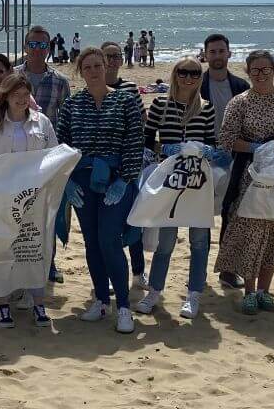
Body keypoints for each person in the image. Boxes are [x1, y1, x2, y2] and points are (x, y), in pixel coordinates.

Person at [215, 49, 274, 314]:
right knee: (251, 233)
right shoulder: (240, 102)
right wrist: (257, 147)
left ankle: (264, 291)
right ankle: (248, 291)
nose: (260, 75)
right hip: (251, 177)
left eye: (265, 70)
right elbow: (226, 140)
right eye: (255, 70)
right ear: (248, 72)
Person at [57, 47, 144, 333]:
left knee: (109, 239)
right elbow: (63, 147)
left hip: (115, 179)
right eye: (87, 67)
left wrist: (125, 179)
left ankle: (123, 307)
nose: (93, 71)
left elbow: (134, 143)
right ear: (80, 71)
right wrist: (67, 182)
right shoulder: (71, 104)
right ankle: (101, 300)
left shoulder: (126, 101)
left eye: (98, 66)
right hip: (82, 181)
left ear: (106, 67)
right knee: (92, 242)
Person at [0, 72, 59, 328]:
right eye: (16, 95)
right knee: (3, 248)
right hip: (1, 199)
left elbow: (53, 155)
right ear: (6, 97)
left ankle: (37, 301)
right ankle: (2, 304)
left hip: (34, 199)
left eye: (25, 95)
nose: (21, 100)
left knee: (34, 248)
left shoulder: (41, 122)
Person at [139, 57, 218, 319]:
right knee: (166, 242)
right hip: (170, 181)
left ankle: (193, 294)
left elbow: (214, 145)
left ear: (200, 77)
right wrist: (166, 149)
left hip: (197, 181)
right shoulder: (160, 104)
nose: (188, 78)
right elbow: (148, 141)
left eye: (194, 73)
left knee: (198, 241)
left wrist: (208, 151)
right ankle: (155, 291)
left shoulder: (206, 108)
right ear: (175, 74)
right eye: (183, 72)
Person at [18, 25, 71, 281]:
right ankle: (20, 261)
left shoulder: (60, 81)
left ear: (48, 49)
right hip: (17, 157)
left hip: (48, 159)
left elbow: (66, 119)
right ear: (25, 47)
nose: (37, 50)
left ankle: (49, 265)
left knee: (48, 214)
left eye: (42, 45)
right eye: (32, 44)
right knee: (19, 212)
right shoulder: (14, 77)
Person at [200, 33, 250, 289]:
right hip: (204, 159)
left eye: (222, 51)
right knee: (202, 215)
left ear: (229, 54)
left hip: (236, 159)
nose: (217, 56)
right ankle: (198, 271)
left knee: (232, 215)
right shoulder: (196, 83)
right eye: (213, 52)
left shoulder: (241, 86)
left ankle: (228, 270)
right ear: (205, 54)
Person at [101, 40, 147, 287]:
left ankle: (138, 273)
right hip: (103, 165)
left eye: (116, 56)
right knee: (107, 224)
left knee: (133, 216)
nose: (112, 60)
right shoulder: (93, 88)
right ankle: (109, 273)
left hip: (128, 163)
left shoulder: (130, 87)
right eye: (108, 55)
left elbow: (141, 120)